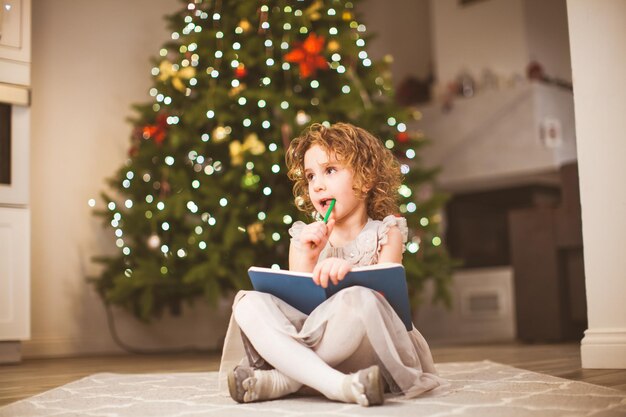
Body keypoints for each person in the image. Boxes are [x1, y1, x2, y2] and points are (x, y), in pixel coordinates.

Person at [218, 122, 447, 406]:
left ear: (365, 179)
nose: (317, 184)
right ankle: (339, 385)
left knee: (359, 299)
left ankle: (283, 380)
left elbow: (388, 306)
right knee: (248, 303)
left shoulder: (387, 232)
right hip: (316, 340)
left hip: (368, 346)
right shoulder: (303, 237)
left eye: (330, 171)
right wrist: (308, 257)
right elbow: (301, 312)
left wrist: (352, 278)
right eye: (310, 176)